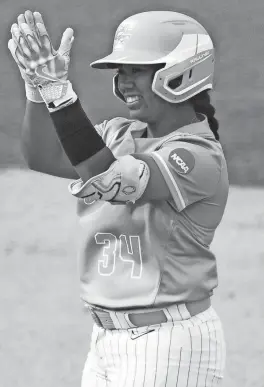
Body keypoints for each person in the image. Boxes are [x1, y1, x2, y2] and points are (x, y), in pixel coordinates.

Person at [8, 9, 229, 387]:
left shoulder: (197, 156)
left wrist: (59, 94)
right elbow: (43, 156)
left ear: (181, 71)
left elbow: (107, 176)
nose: (123, 81)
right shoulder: (116, 132)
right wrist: (36, 88)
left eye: (135, 70)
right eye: (120, 70)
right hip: (105, 341)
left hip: (168, 344)